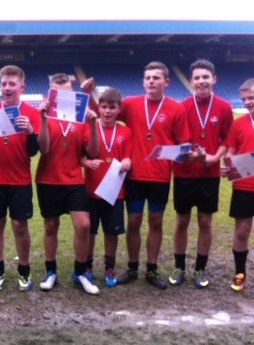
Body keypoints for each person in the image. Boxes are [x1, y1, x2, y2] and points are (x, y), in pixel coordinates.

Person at [116, 61, 191, 289]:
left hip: (160, 177)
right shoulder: (130, 104)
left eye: (156, 78)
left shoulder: (176, 108)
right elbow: (104, 109)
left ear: (166, 82)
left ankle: (151, 268)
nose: (151, 81)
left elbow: (184, 144)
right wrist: (90, 93)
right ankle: (131, 267)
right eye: (147, 77)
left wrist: (182, 152)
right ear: (143, 81)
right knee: (134, 221)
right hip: (135, 175)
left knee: (155, 221)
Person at [0, 65, 41, 291]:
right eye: (3, 83)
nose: (7, 87)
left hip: (20, 179)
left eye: (12, 83)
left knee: (20, 225)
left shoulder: (31, 113)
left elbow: (34, 151)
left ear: (21, 87)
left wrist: (31, 131)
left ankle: (24, 270)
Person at [169, 59, 233, 288]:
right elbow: (176, 139)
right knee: (181, 221)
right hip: (185, 173)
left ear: (214, 79)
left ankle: (200, 269)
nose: (201, 81)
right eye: (197, 77)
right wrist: (188, 153)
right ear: (191, 81)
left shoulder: (225, 107)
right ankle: (179, 267)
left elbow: (228, 138)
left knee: (205, 221)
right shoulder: (182, 107)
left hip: (210, 174)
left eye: (205, 77)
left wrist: (215, 157)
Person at [35, 73, 100, 294]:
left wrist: (92, 124)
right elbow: (43, 149)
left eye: (67, 92)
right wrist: (43, 119)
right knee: (51, 225)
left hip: (74, 179)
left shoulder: (81, 117)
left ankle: (80, 272)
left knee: (84, 225)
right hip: (48, 179)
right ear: (51, 95)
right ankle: (51, 271)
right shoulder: (44, 114)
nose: (62, 96)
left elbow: (93, 151)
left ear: (73, 93)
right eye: (57, 92)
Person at [223, 77, 254, 296]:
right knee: (242, 232)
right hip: (243, 185)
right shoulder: (239, 123)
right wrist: (229, 164)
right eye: (244, 99)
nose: (247, 102)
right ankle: (240, 273)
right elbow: (231, 150)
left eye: (251, 98)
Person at [81, 88, 132, 288]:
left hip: (115, 193)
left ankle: (110, 267)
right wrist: (86, 164)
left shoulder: (126, 131)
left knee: (112, 233)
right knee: (90, 232)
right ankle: (87, 266)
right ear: (98, 108)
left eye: (112, 107)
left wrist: (127, 161)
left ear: (119, 109)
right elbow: (80, 156)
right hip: (91, 191)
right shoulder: (89, 128)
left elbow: (128, 155)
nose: (108, 111)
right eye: (104, 107)